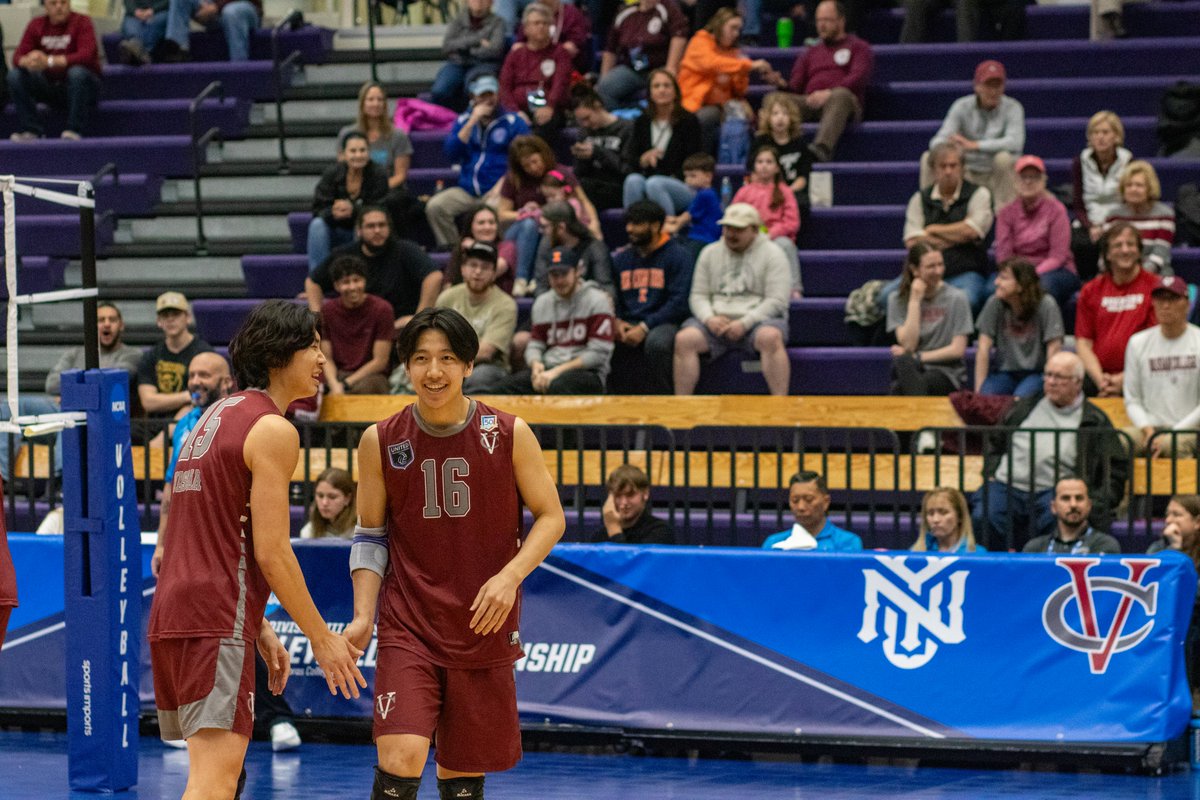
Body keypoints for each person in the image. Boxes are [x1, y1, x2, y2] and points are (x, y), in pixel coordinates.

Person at [345, 307, 564, 800]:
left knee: (460, 772)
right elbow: (370, 535)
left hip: (480, 623)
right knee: (400, 755)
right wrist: (363, 616)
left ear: (468, 365)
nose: (434, 371)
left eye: (447, 358)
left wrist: (509, 577)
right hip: (409, 623)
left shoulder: (509, 432)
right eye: (420, 359)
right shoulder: (379, 439)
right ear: (406, 367)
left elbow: (552, 517)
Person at [149, 301, 366, 797]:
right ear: (276, 354)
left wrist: (262, 627)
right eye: (310, 345)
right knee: (215, 782)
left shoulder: (210, 417)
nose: (321, 358)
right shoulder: (272, 429)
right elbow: (272, 552)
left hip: (176, 611)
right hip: (215, 616)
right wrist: (321, 637)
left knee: (217, 775)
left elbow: (211, 535)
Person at [972, 352, 1127, 550]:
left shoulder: (1094, 419)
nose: (1051, 382)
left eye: (1059, 377)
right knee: (984, 515)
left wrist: (1096, 503)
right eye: (1048, 375)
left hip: (1054, 491)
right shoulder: (1023, 407)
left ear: (1077, 382)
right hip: (1007, 485)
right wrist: (991, 472)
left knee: (1061, 518)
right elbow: (995, 443)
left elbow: (1115, 469)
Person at [674, 203, 792, 397]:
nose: (731, 234)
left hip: (757, 321)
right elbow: (698, 295)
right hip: (715, 322)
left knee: (771, 338)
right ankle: (682, 406)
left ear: (754, 230)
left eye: (738, 229)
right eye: (728, 228)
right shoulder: (709, 252)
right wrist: (708, 319)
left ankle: (780, 406)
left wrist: (745, 323)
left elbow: (777, 301)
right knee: (684, 339)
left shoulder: (774, 254)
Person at [152, 351, 235, 576]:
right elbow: (172, 486)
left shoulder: (238, 419)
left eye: (204, 375)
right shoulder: (184, 424)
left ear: (226, 381)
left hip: (227, 541)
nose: (195, 381)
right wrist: (161, 544)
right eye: (192, 375)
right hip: (187, 543)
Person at [426, 75, 530, 248]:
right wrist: (472, 120)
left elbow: (522, 160)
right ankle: (455, 251)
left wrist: (502, 186)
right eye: (482, 96)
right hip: (467, 189)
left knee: (494, 211)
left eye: (491, 94)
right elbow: (451, 153)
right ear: (473, 98)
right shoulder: (463, 121)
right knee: (436, 206)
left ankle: (498, 253)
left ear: (498, 95)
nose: (487, 100)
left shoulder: (513, 122)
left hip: (498, 189)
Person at [494, 247, 616, 394]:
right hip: (548, 369)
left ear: (577, 271)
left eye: (564, 274)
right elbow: (535, 344)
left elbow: (598, 354)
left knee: (558, 386)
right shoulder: (542, 302)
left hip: (588, 372)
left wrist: (557, 371)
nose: (559, 280)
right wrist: (535, 364)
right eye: (553, 275)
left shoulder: (598, 300)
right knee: (501, 389)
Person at [894, 140, 993, 315]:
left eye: (953, 166)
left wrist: (932, 229)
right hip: (924, 275)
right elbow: (912, 241)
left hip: (965, 272)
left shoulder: (979, 194)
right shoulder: (919, 198)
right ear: (933, 170)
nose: (948, 171)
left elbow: (971, 231)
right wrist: (957, 235)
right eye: (943, 166)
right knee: (889, 296)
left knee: (966, 299)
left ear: (962, 168)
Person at [306, 206, 443, 331]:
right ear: (359, 231)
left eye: (382, 225)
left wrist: (418, 319)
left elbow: (434, 276)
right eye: (371, 226)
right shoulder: (345, 254)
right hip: (359, 329)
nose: (377, 230)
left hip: (399, 328)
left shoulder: (405, 249)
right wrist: (317, 319)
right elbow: (313, 282)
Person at [609, 200, 694, 395]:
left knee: (657, 342)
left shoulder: (678, 256)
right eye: (628, 223)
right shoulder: (622, 259)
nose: (629, 229)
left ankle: (664, 404)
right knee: (603, 338)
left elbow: (679, 303)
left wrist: (645, 326)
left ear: (655, 226)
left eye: (637, 223)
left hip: (664, 322)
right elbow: (615, 296)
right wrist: (618, 320)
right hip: (629, 320)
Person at [498, 136, 600, 297]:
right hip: (520, 230)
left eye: (535, 161)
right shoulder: (513, 179)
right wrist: (523, 213)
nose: (532, 168)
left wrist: (594, 225)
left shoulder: (561, 173)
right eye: (526, 165)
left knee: (551, 230)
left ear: (543, 154)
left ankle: (538, 280)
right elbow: (502, 214)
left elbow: (583, 202)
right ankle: (521, 278)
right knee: (530, 225)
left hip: (548, 228)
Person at [676, 8, 785, 156]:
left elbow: (739, 90)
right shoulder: (700, 40)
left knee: (728, 118)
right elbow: (711, 63)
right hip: (690, 105)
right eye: (732, 28)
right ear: (720, 25)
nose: (736, 33)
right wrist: (748, 65)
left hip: (719, 108)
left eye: (739, 29)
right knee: (700, 118)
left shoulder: (734, 54)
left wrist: (742, 73)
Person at [924, 60, 1023, 209]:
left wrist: (975, 145)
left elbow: (1015, 142)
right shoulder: (961, 106)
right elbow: (938, 140)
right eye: (989, 85)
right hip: (966, 172)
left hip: (996, 175)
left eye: (998, 85)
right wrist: (950, 147)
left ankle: (1004, 215)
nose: (994, 91)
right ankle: (931, 208)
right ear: (977, 86)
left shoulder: (1013, 107)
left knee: (1004, 159)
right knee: (929, 157)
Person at [1075, 222, 1159, 397]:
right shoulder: (1091, 290)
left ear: (1139, 251)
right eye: (1118, 245)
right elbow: (1083, 342)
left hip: (1145, 374)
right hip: (1098, 377)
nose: (1125, 250)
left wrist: (1126, 379)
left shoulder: (1155, 287)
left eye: (1131, 244)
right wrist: (1101, 381)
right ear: (1107, 254)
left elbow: (1158, 343)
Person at [785, 0, 874, 163]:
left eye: (827, 20)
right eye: (819, 21)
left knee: (840, 95)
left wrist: (829, 93)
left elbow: (858, 77)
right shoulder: (810, 52)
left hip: (844, 103)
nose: (822, 25)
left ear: (841, 21)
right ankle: (771, 150)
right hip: (811, 102)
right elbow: (795, 86)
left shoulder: (859, 47)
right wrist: (778, 83)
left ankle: (821, 149)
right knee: (775, 100)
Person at [1122, 275, 1200, 456]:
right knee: (1118, 441)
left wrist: (1171, 434)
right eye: (1160, 299)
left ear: (1187, 304)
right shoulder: (1137, 343)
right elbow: (1132, 399)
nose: (1165, 305)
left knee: (1170, 446)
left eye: (1173, 299)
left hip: (1190, 428)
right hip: (1149, 428)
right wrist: (1148, 431)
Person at [993, 154, 1081, 309]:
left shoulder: (1056, 210)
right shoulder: (1006, 213)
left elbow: (1058, 256)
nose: (1028, 182)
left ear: (1043, 181)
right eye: (1023, 177)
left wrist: (1029, 276)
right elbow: (1004, 255)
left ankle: (1047, 331)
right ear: (1015, 181)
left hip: (1056, 270)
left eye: (1034, 177)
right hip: (1017, 271)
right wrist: (1017, 275)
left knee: (1043, 287)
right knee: (990, 289)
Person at [337, 83, 422, 241]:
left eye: (379, 99)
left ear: (385, 104)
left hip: (389, 191)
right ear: (362, 103)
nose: (375, 103)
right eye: (370, 99)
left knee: (390, 202)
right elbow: (343, 169)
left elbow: (400, 175)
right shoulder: (347, 134)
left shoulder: (398, 135)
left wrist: (375, 190)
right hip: (356, 190)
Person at [887, 243, 974, 397]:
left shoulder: (957, 297)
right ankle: (919, 419)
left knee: (901, 387)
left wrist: (918, 357)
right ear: (915, 270)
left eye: (940, 265)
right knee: (902, 362)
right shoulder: (897, 300)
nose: (938, 271)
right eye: (931, 267)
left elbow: (957, 350)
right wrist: (914, 301)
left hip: (946, 372)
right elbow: (908, 345)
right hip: (913, 368)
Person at [7, 0, 101, 141]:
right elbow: (17, 57)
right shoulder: (36, 24)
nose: (59, 7)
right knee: (15, 76)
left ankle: (74, 130)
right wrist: (29, 61)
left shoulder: (83, 21)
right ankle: (31, 130)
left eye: (63, 2)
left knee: (77, 73)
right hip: (50, 86)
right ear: (45, 6)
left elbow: (86, 56)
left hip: (83, 87)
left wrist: (50, 61)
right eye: (53, 3)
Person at [974, 258, 1064, 398]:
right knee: (987, 398)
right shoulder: (994, 303)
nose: (996, 282)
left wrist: (1049, 381)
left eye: (1004, 278)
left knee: (1020, 403)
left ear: (1021, 285)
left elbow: (1054, 348)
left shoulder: (1046, 304)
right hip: (1005, 373)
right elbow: (983, 348)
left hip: (1036, 373)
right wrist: (979, 391)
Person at [436, 241, 519, 393]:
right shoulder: (447, 298)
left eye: (485, 267)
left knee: (479, 377)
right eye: (473, 265)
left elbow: (486, 352)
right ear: (462, 269)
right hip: (447, 362)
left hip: (489, 366)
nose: (478, 271)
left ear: (494, 274)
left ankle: (474, 417)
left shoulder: (506, 304)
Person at [622, 68, 703, 215]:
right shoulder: (642, 121)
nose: (662, 90)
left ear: (675, 92)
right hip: (647, 180)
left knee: (655, 183)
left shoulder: (688, 121)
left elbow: (695, 158)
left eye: (666, 85)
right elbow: (630, 159)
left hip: (681, 183)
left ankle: (666, 235)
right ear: (650, 93)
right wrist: (642, 160)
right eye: (657, 86)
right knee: (632, 180)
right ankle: (635, 230)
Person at [307, 132, 389, 273]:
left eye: (362, 150)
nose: (358, 155)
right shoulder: (331, 174)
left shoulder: (378, 174)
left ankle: (359, 276)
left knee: (362, 226)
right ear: (343, 154)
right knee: (317, 225)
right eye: (353, 151)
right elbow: (318, 209)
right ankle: (318, 279)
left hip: (362, 229)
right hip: (335, 228)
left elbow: (381, 208)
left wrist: (354, 211)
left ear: (369, 152)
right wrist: (332, 212)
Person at [1147, 495, 1200, 707]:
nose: (1169, 520)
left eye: (1177, 515)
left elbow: (1192, 596)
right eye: (1167, 514)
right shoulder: (1158, 550)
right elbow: (1153, 591)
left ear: (1197, 522)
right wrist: (1174, 551)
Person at [1070, 110, 1133, 282]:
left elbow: (1129, 200)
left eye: (1105, 132)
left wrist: (1108, 225)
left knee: (1113, 240)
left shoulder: (1128, 161)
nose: (1100, 137)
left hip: (1119, 218)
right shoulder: (1079, 162)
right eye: (1095, 133)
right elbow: (1078, 203)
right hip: (1089, 220)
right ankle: (1086, 284)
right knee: (1079, 242)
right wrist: (1090, 225)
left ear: (1116, 136)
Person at [732, 143, 802, 297]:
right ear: (754, 166)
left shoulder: (785, 191)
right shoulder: (744, 192)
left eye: (769, 162)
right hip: (749, 237)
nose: (764, 166)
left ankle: (793, 288)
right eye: (760, 162)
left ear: (777, 167)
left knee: (786, 245)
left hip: (775, 238)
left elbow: (792, 223)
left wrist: (771, 233)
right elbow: (733, 216)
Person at [320, 256, 395, 397]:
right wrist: (334, 384)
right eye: (346, 282)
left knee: (371, 386)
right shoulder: (327, 311)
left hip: (370, 375)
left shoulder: (382, 309)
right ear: (336, 286)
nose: (352, 287)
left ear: (364, 281)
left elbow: (380, 361)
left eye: (357, 280)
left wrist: (346, 384)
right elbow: (326, 357)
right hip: (337, 373)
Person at [595, 0, 688, 111]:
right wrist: (604, 76)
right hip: (632, 69)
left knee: (664, 87)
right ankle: (619, 123)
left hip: (660, 67)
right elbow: (610, 49)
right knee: (604, 88)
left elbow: (679, 36)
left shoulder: (668, 8)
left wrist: (671, 68)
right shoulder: (625, 13)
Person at [498, 4, 573, 140]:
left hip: (549, 108)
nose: (541, 27)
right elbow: (505, 86)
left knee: (543, 125)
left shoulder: (560, 53)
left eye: (545, 23)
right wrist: (515, 112)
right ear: (525, 29)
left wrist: (550, 106)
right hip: (518, 108)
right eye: (536, 23)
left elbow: (560, 84)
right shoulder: (516, 55)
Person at [137, 291, 215, 418]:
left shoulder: (204, 354)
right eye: (165, 315)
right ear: (158, 321)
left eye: (176, 314)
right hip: (154, 425)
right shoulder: (150, 356)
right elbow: (148, 402)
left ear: (188, 318)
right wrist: (187, 396)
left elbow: (202, 399)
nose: (170, 319)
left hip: (193, 422)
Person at [46, 301, 142, 397]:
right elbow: (52, 384)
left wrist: (70, 395)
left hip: (105, 410)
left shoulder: (132, 355)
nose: (107, 324)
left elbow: (111, 380)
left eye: (112, 320)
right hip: (68, 410)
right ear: (92, 326)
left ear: (121, 326)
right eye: (101, 320)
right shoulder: (74, 354)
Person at [748, 92, 814, 230]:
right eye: (775, 114)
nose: (780, 118)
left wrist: (787, 192)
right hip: (765, 188)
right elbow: (752, 172)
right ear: (767, 118)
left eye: (785, 114)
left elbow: (803, 177)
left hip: (792, 190)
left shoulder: (800, 144)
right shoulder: (760, 142)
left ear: (792, 118)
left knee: (800, 203)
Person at [430, 0, 507, 111]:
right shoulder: (458, 20)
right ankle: (445, 119)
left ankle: (472, 120)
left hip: (483, 64)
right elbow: (447, 47)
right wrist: (478, 41)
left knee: (474, 89)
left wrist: (464, 49)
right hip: (457, 63)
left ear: (491, 2)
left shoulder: (498, 23)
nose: (479, 2)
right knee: (440, 90)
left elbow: (495, 50)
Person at [1103, 160, 1176, 275]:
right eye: (1129, 185)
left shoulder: (1164, 214)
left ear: (1150, 188)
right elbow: (1106, 252)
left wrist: (1137, 276)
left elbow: (1160, 254)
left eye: (1139, 185)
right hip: (1118, 274)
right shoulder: (1113, 215)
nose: (1133, 189)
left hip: (1155, 274)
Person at [762, 471, 863, 551]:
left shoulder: (848, 542)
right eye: (795, 500)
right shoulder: (773, 543)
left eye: (809, 499)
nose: (801, 507)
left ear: (826, 502)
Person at [569, 88, 633, 212]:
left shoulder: (627, 128)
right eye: (581, 121)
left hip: (617, 186)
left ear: (598, 107)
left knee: (583, 190)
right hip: (593, 185)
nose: (585, 124)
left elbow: (627, 169)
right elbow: (579, 173)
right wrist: (581, 157)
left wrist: (598, 152)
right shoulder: (585, 133)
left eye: (587, 118)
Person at [1022, 477, 1121, 555]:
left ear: (1089, 505)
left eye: (1079, 498)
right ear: (1054, 507)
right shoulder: (1035, 549)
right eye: (1066, 498)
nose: (1073, 504)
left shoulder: (1105, 545)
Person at [593, 464, 677, 544]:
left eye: (630, 495)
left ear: (645, 494)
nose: (624, 502)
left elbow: (628, 559)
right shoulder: (600, 536)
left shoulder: (661, 532)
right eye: (617, 495)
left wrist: (614, 528)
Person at [663, 152, 722, 260]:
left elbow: (687, 217)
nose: (688, 180)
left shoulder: (706, 194)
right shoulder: (702, 193)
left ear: (708, 176)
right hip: (697, 236)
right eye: (686, 176)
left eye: (693, 176)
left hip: (704, 238)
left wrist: (672, 227)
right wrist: (672, 219)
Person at [443, 204, 514, 293]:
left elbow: (495, 269)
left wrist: (475, 247)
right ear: (471, 227)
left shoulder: (507, 247)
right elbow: (449, 282)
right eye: (481, 223)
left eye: (491, 222)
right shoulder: (461, 248)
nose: (487, 227)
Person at [160, 0, 260, 62]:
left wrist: (216, 7)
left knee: (231, 12)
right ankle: (178, 51)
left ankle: (239, 70)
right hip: (216, 10)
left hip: (244, 8)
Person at [512, 0, 591, 73]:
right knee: (517, 48)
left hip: (562, 64)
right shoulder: (532, 13)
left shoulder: (572, 14)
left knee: (568, 49)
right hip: (532, 60)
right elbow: (521, 39)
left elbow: (575, 43)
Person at [910, 487, 983, 553]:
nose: (935, 520)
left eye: (943, 512)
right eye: (930, 513)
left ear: (960, 516)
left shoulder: (977, 554)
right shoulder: (915, 552)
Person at [299, 467, 356, 539]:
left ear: (347, 499)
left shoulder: (360, 532)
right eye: (320, 496)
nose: (324, 503)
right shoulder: (309, 532)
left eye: (332, 497)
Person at [118, 0, 170, 65]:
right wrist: (135, 11)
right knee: (130, 25)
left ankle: (139, 52)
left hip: (159, 11)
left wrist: (153, 10)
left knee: (156, 22)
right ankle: (138, 50)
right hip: (135, 14)